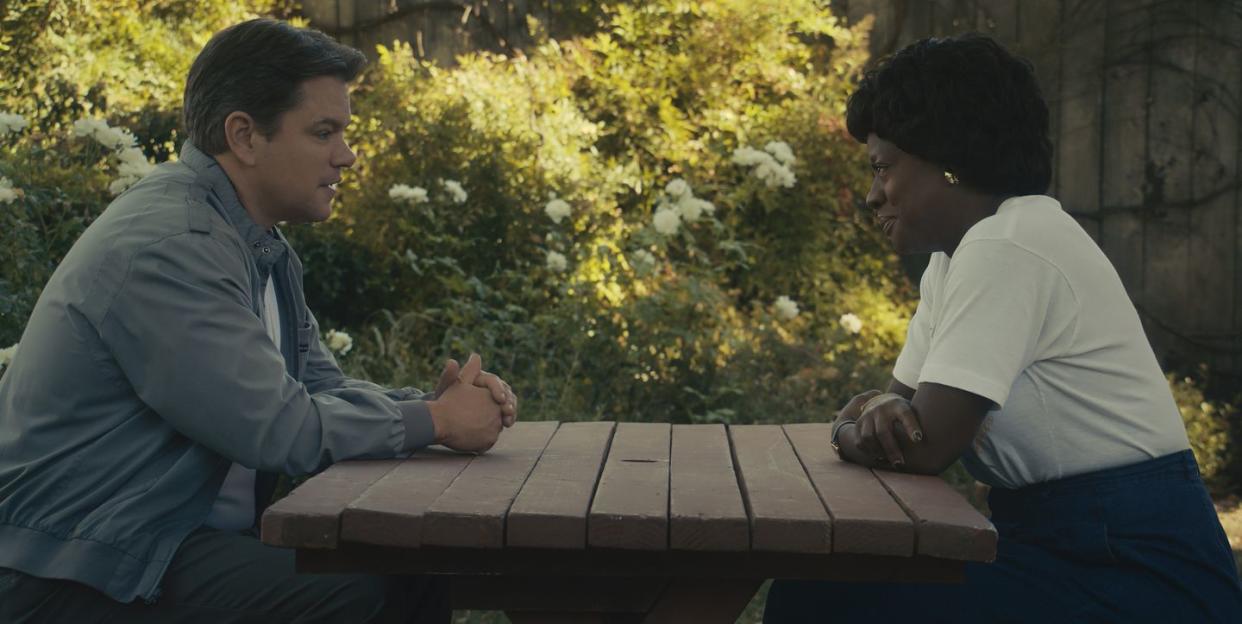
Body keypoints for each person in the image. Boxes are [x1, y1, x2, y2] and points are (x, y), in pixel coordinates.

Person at [0, 18, 518, 622]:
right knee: (366, 595)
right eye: (324, 132)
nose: (346, 156)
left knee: (415, 575)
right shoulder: (173, 245)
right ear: (244, 136)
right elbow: (282, 430)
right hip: (72, 564)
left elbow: (317, 388)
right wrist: (436, 421)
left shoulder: (257, 246)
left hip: (156, 543)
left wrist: (430, 404)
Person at [764, 33, 1242, 623]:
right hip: (1061, 548)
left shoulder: (1008, 245)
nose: (870, 196)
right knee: (825, 589)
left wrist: (851, 428)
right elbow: (894, 415)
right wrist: (866, 422)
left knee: (823, 596)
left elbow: (918, 444)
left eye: (883, 168)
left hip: (1136, 573)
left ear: (947, 160)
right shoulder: (956, 258)